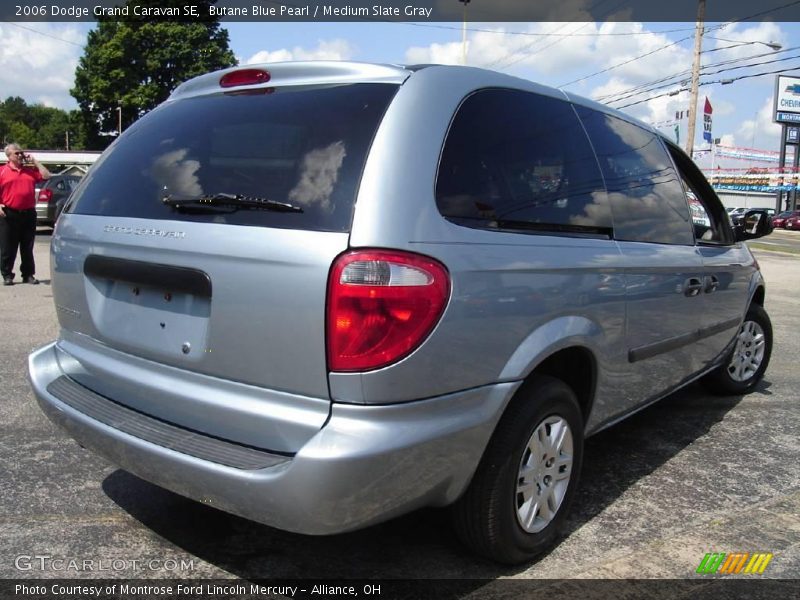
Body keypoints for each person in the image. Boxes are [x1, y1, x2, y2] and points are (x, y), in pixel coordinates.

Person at [0, 143, 50, 285]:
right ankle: (7, 274)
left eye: (21, 152)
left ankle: (28, 274)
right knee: (8, 246)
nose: (20, 155)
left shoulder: (30, 171)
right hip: (9, 213)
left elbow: (47, 175)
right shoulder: (2, 171)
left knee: (27, 247)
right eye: (17, 153)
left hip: (28, 213)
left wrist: (34, 161)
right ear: (9, 156)